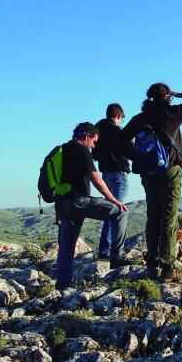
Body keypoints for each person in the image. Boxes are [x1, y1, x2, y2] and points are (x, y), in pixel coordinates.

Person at [123, 83, 182, 280]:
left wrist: (138, 157)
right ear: (167, 96)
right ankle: (167, 266)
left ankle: (152, 264)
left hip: (149, 172)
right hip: (171, 170)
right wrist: (179, 94)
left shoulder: (140, 119)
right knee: (169, 217)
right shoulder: (172, 113)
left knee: (153, 215)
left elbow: (120, 141)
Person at [54, 122, 129, 291]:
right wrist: (113, 200)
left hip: (62, 203)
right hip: (79, 201)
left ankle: (62, 286)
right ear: (87, 137)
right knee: (120, 212)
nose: (94, 145)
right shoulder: (81, 150)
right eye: (94, 141)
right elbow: (96, 179)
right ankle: (117, 256)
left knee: (67, 246)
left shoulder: (61, 149)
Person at [94, 103, 133, 263]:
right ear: (118, 116)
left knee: (109, 212)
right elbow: (131, 151)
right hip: (118, 174)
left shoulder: (97, 130)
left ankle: (104, 251)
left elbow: (94, 154)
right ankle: (116, 254)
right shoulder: (118, 131)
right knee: (118, 212)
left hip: (105, 174)